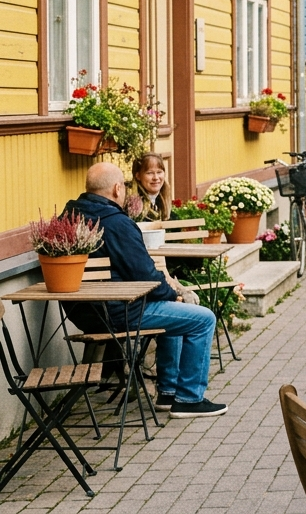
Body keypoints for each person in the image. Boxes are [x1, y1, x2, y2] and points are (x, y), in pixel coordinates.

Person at [65, 163, 225, 417]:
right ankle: (189, 398)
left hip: (82, 313)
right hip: (118, 311)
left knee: (177, 314)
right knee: (203, 319)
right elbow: (144, 275)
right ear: (118, 188)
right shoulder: (116, 222)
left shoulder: (68, 217)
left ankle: (169, 393)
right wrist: (174, 292)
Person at [126, 152, 172, 222]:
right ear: (138, 176)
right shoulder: (128, 202)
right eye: (149, 173)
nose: (156, 178)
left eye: (159, 172)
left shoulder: (163, 199)